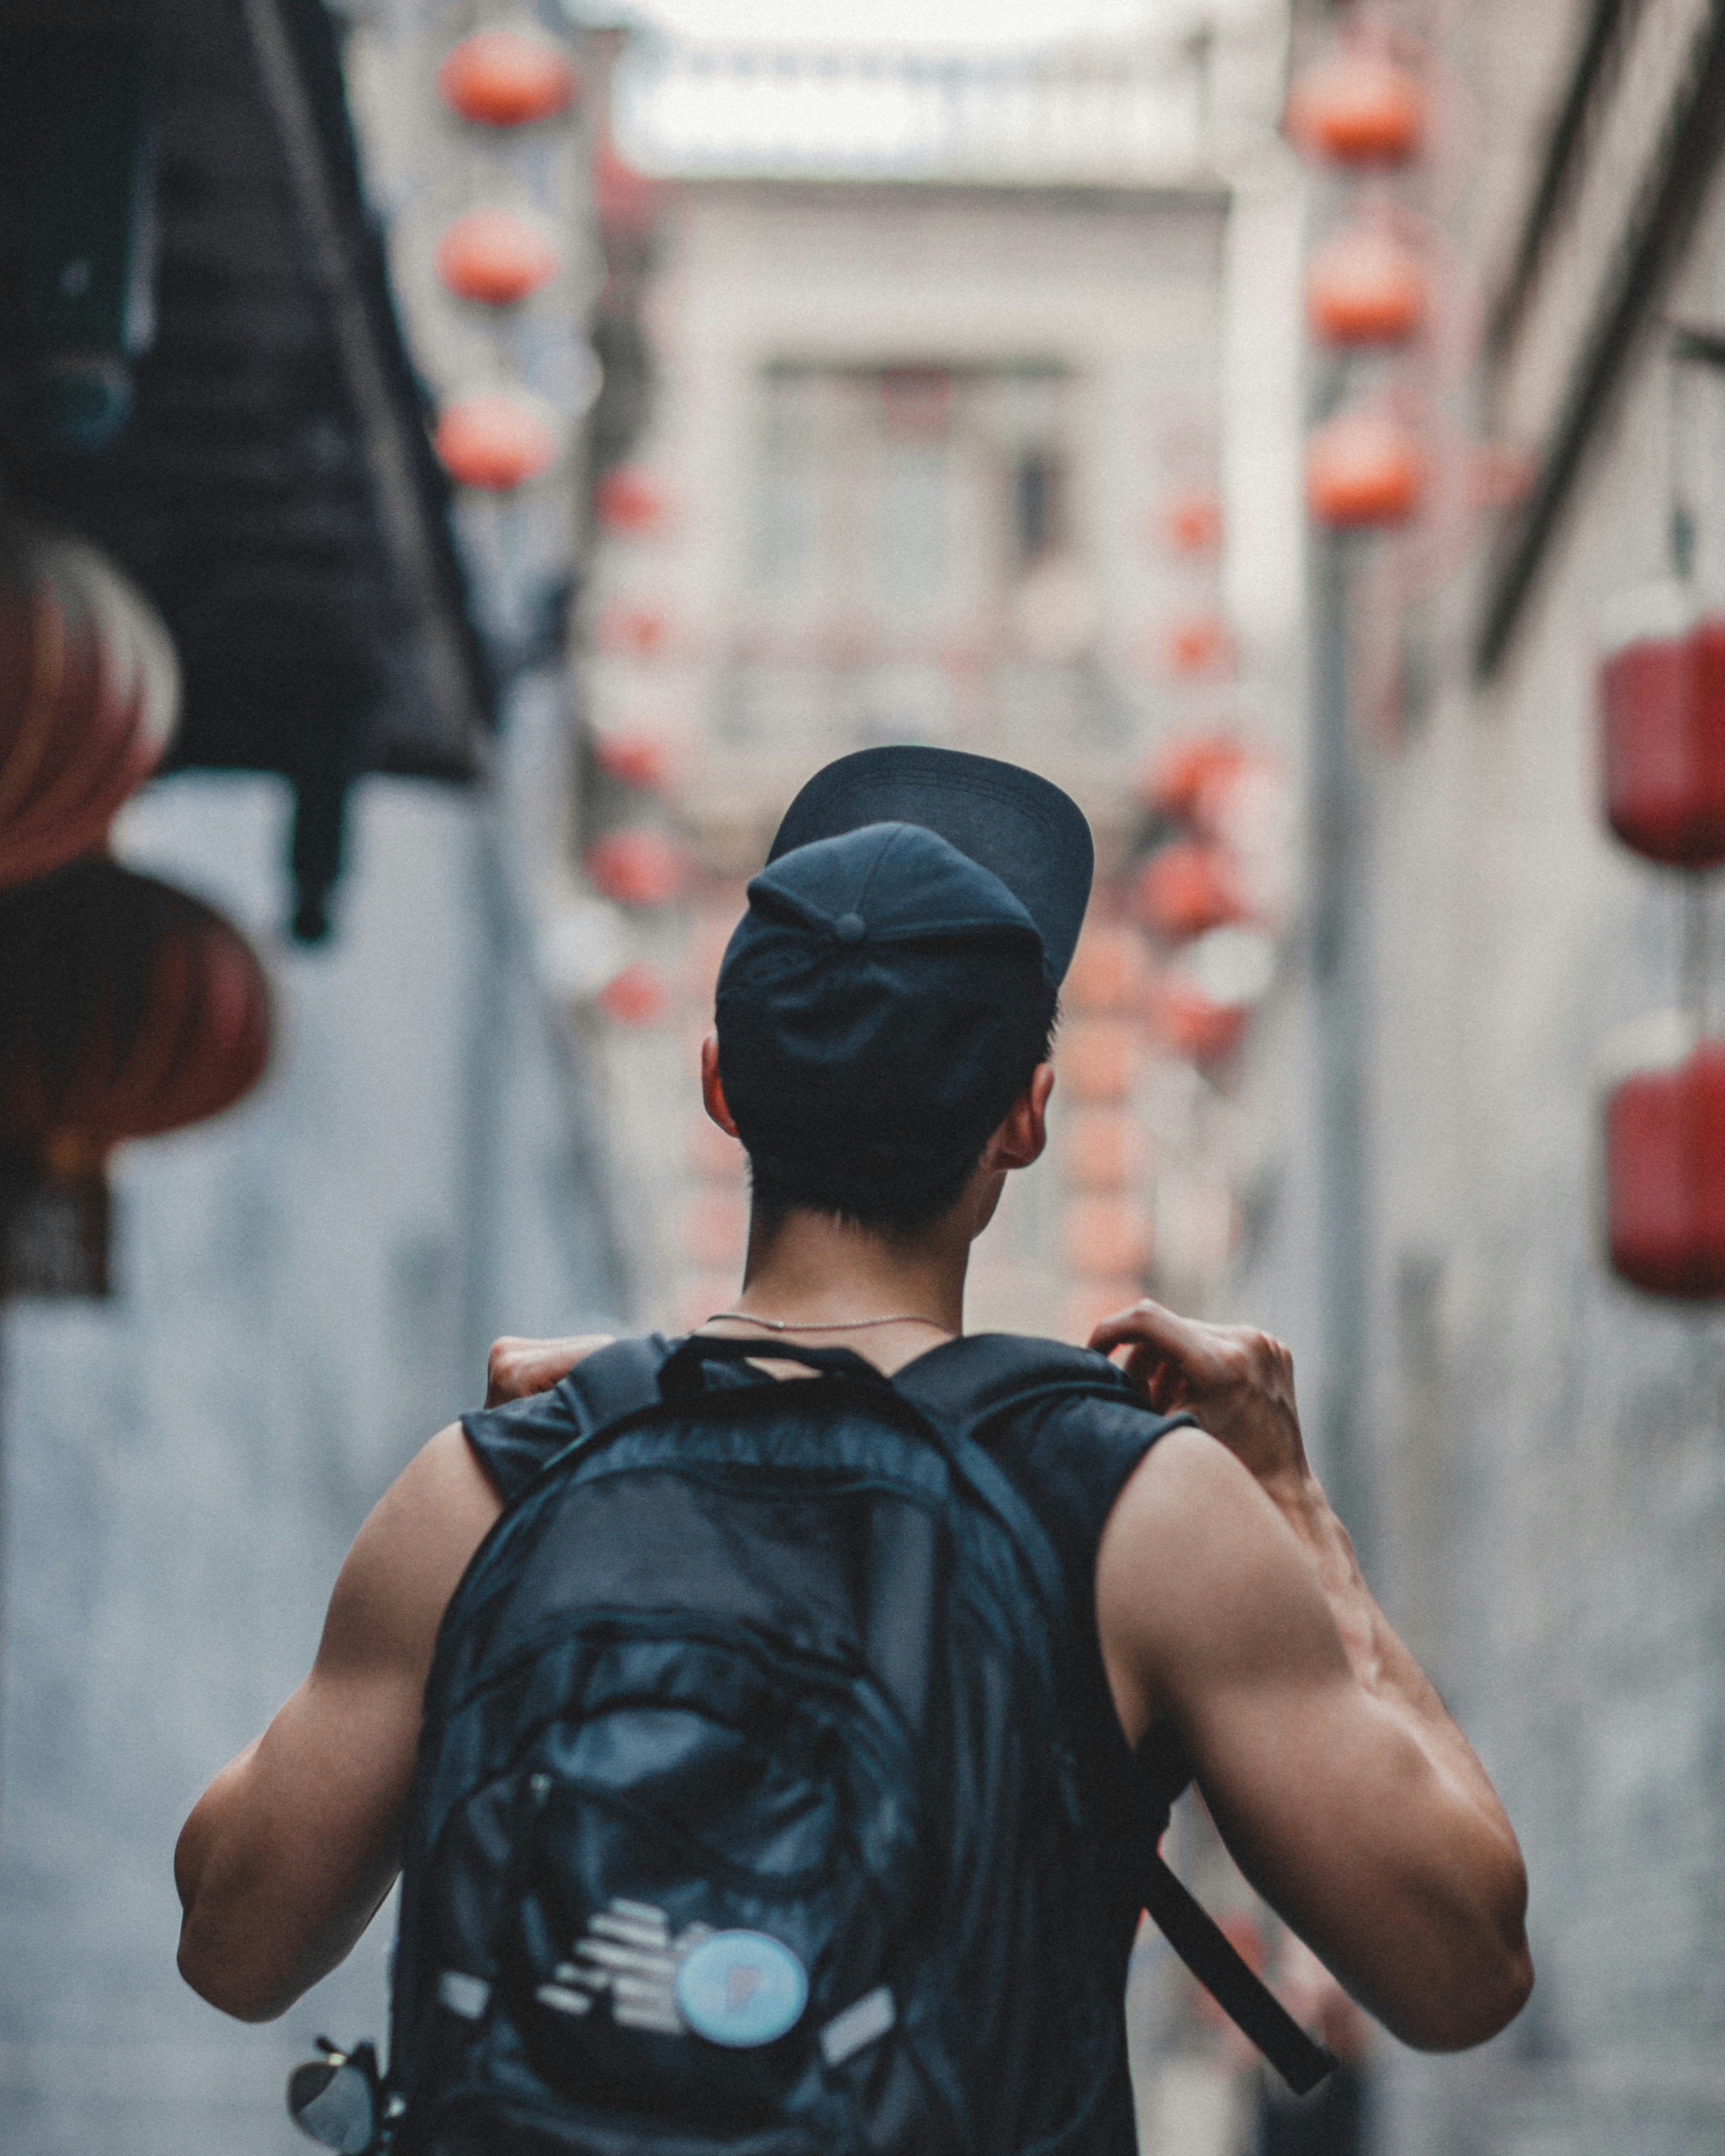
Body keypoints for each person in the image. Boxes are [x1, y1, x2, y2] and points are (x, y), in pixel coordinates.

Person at [175, 747, 1531, 2143]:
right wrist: (1293, 1502)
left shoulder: (490, 1489)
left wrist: (549, 1470)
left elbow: (232, 1939)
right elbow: (1464, 1968)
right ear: (1027, 1115)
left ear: (720, 1087)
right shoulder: (1139, 1514)